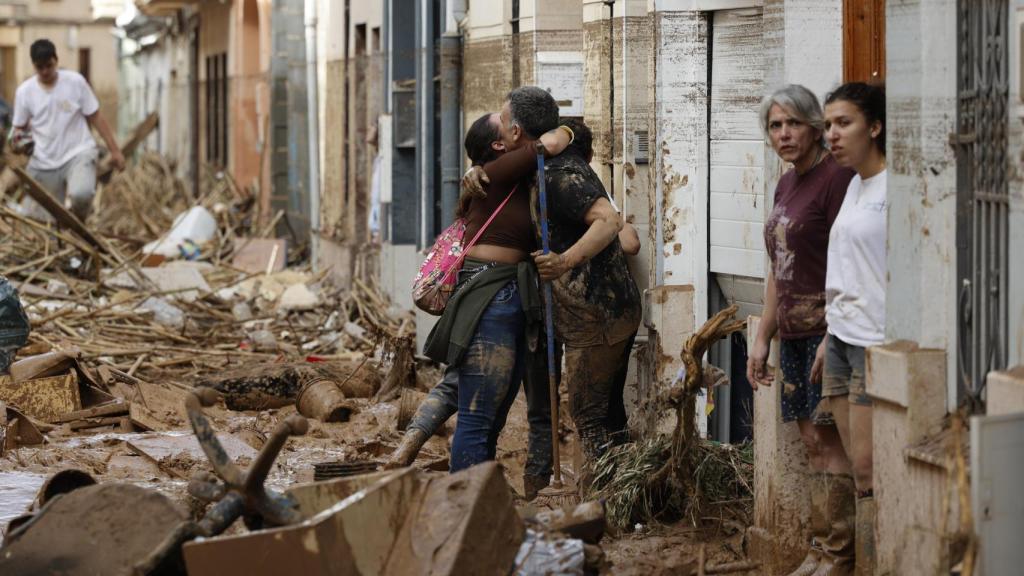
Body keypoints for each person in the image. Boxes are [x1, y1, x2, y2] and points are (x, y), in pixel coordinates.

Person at [388, 114, 571, 495]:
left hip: (502, 294)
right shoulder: (499, 170)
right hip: (494, 295)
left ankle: (476, 500)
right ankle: (463, 503)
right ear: (500, 145)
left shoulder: (499, 173)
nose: (511, 123)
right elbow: (554, 141)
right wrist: (568, 130)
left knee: (487, 404)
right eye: (505, 122)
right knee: (479, 410)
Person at [747, 84, 856, 576]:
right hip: (791, 335)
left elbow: (851, 262)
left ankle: (838, 554)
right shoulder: (786, 184)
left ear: (815, 127)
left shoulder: (837, 180)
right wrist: (761, 335)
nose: (785, 133)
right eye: (775, 125)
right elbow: (777, 268)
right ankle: (818, 548)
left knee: (831, 443)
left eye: (793, 123)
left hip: (827, 334)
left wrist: (834, 334)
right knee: (812, 443)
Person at [523, 103, 642, 474]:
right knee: (609, 412)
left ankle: (610, 497)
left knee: (588, 416)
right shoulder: (577, 175)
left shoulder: (564, 178)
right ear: (591, 154)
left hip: (596, 319)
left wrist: (565, 260)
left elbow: (612, 226)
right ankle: (628, 493)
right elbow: (624, 238)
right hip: (610, 314)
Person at [821, 81, 887, 576]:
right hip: (841, 340)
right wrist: (828, 335)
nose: (833, 136)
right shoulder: (852, 185)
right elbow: (845, 269)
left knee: (867, 467)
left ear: (875, 127)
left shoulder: (896, 186)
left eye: (844, 123)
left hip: (874, 343)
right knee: (854, 471)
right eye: (828, 126)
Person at [12, 39, 125, 222]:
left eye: (49, 65)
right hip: (43, 161)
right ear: (34, 66)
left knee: (81, 194)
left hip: (78, 153)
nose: (45, 71)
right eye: (40, 67)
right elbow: (18, 129)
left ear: (56, 60)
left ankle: (78, 224)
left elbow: (95, 116)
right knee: (41, 219)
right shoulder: (25, 92)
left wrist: (115, 150)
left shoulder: (75, 82)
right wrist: (18, 142)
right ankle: (62, 237)